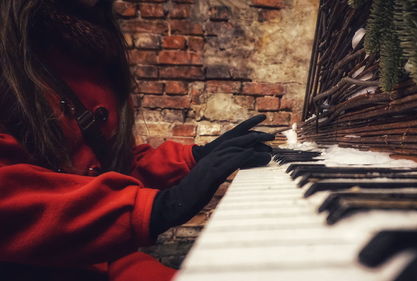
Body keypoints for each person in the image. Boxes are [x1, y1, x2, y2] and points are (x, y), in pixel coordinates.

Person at [0, 0, 274, 280]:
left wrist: (196, 157)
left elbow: (112, 164)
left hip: (105, 258)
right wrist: (158, 208)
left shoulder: (95, 52)